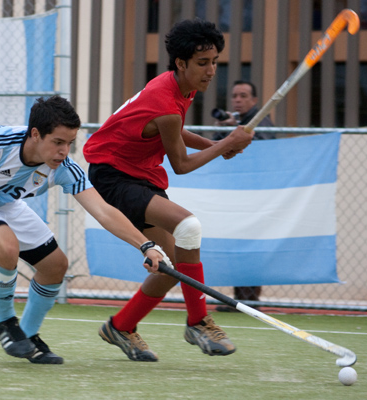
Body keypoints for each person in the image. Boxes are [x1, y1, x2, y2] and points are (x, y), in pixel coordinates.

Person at [0, 95, 168, 365]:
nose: (64, 151)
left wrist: (146, 246)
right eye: (58, 142)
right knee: (7, 246)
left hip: (4, 204)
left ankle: (26, 335)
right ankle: (5, 324)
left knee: (55, 265)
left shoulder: (64, 169)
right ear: (36, 134)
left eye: (70, 143)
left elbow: (103, 211)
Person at [83, 18, 254, 362]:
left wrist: (217, 142)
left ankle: (121, 326)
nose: (210, 71)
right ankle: (198, 322)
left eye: (214, 62)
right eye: (203, 63)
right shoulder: (165, 99)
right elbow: (181, 163)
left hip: (139, 174)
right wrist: (225, 144)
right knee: (189, 226)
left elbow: (172, 129)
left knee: (173, 263)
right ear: (181, 63)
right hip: (113, 176)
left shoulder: (178, 86)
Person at [212, 80, 275, 311]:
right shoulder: (234, 122)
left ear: (254, 100)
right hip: (234, 193)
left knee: (251, 244)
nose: (238, 100)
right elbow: (215, 147)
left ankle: (249, 300)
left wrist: (237, 130)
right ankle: (240, 300)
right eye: (235, 95)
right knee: (236, 244)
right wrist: (224, 128)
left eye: (243, 95)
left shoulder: (261, 121)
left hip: (256, 195)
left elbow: (266, 148)